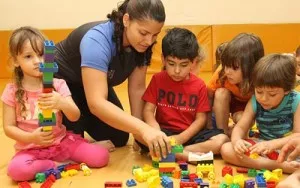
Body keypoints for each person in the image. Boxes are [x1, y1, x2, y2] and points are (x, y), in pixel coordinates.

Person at [54, 0, 170, 158]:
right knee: (65, 142)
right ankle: (77, 134)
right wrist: (143, 129)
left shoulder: (142, 45)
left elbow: (137, 89)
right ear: (126, 20)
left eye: (155, 35)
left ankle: (80, 128)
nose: (149, 41)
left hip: (91, 87)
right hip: (63, 85)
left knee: (119, 137)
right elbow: (96, 103)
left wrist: (140, 133)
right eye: (143, 33)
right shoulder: (96, 41)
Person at [1, 26, 109, 182]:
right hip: (30, 150)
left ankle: (61, 162)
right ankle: (55, 165)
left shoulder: (57, 84)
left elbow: (74, 116)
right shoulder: (12, 91)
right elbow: (8, 127)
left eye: (41, 55)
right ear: (15, 61)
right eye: (28, 56)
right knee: (16, 171)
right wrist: (31, 137)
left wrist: (61, 103)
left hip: (61, 143)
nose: (37, 61)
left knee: (101, 157)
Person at [141, 28, 229, 160]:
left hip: (190, 135)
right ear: (163, 59)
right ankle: (180, 153)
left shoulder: (199, 85)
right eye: (171, 64)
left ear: (193, 63)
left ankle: (176, 152)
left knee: (222, 140)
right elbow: (148, 111)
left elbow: (201, 120)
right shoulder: (157, 79)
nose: (177, 70)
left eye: (183, 65)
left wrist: (181, 138)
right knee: (137, 134)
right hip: (164, 133)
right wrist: (156, 132)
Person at [220, 54, 300, 173]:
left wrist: (273, 144)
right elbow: (241, 127)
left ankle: (281, 164)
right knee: (226, 149)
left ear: (287, 90)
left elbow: (298, 135)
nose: (263, 98)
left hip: (288, 149)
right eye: (259, 91)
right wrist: (237, 141)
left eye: (272, 94)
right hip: (262, 146)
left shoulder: (296, 101)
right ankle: (280, 166)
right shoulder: (255, 101)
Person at [207, 33, 264, 135]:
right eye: (225, 65)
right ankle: (222, 132)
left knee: (242, 118)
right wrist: (208, 127)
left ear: (251, 67)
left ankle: (240, 132)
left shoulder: (262, 76)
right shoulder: (222, 73)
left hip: (251, 108)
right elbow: (208, 98)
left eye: (235, 68)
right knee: (220, 93)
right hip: (232, 104)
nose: (228, 71)